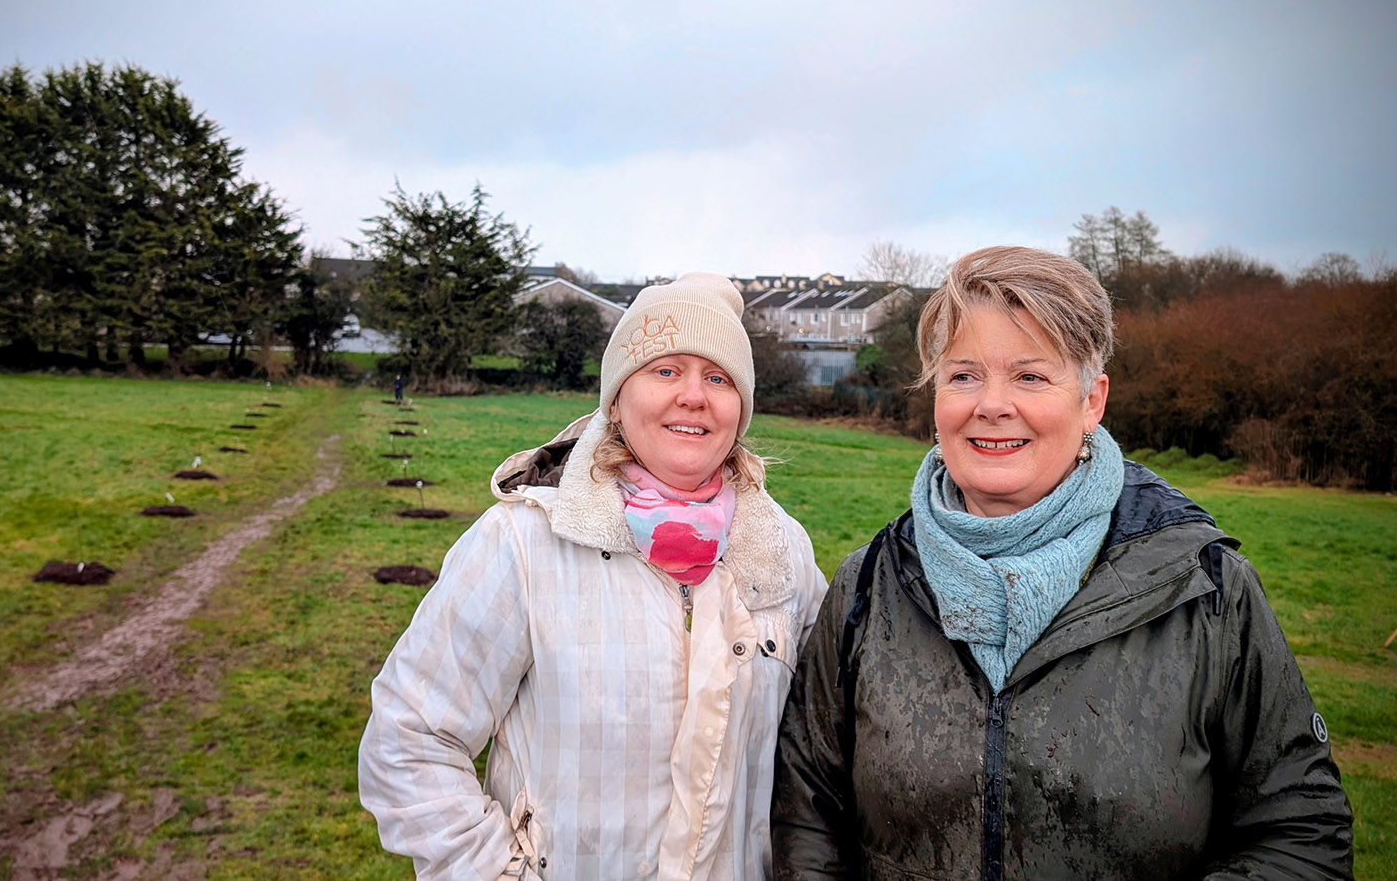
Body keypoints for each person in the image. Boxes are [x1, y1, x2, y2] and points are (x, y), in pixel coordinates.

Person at [773, 246, 1353, 879]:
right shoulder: (868, 587)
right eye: (963, 375)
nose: (991, 405)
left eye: (1029, 376)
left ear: (1092, 400)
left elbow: (1301, 833)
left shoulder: (1204, 589)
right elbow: (808, 819)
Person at [360, 272, 828, 880]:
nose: (694, 395)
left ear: (740, 409)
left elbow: (823, 754)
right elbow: (410, 734)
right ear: (615, 399)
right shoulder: (525, 542)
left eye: (718, 378)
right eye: (665, 371)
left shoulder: (781, 551)